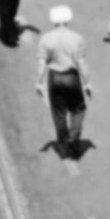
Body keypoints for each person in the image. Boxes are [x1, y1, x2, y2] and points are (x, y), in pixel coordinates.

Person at [33, 12, 81, 162]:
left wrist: (39, 82)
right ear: (68, 19)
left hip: (54, 77)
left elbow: (42, 63)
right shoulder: (76, 38)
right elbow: (82, 62)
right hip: (72, 76)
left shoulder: (46, 39)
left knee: (59, 113)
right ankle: (73, 136)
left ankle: (63, 144)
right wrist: (87, 82)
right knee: (78, 109)